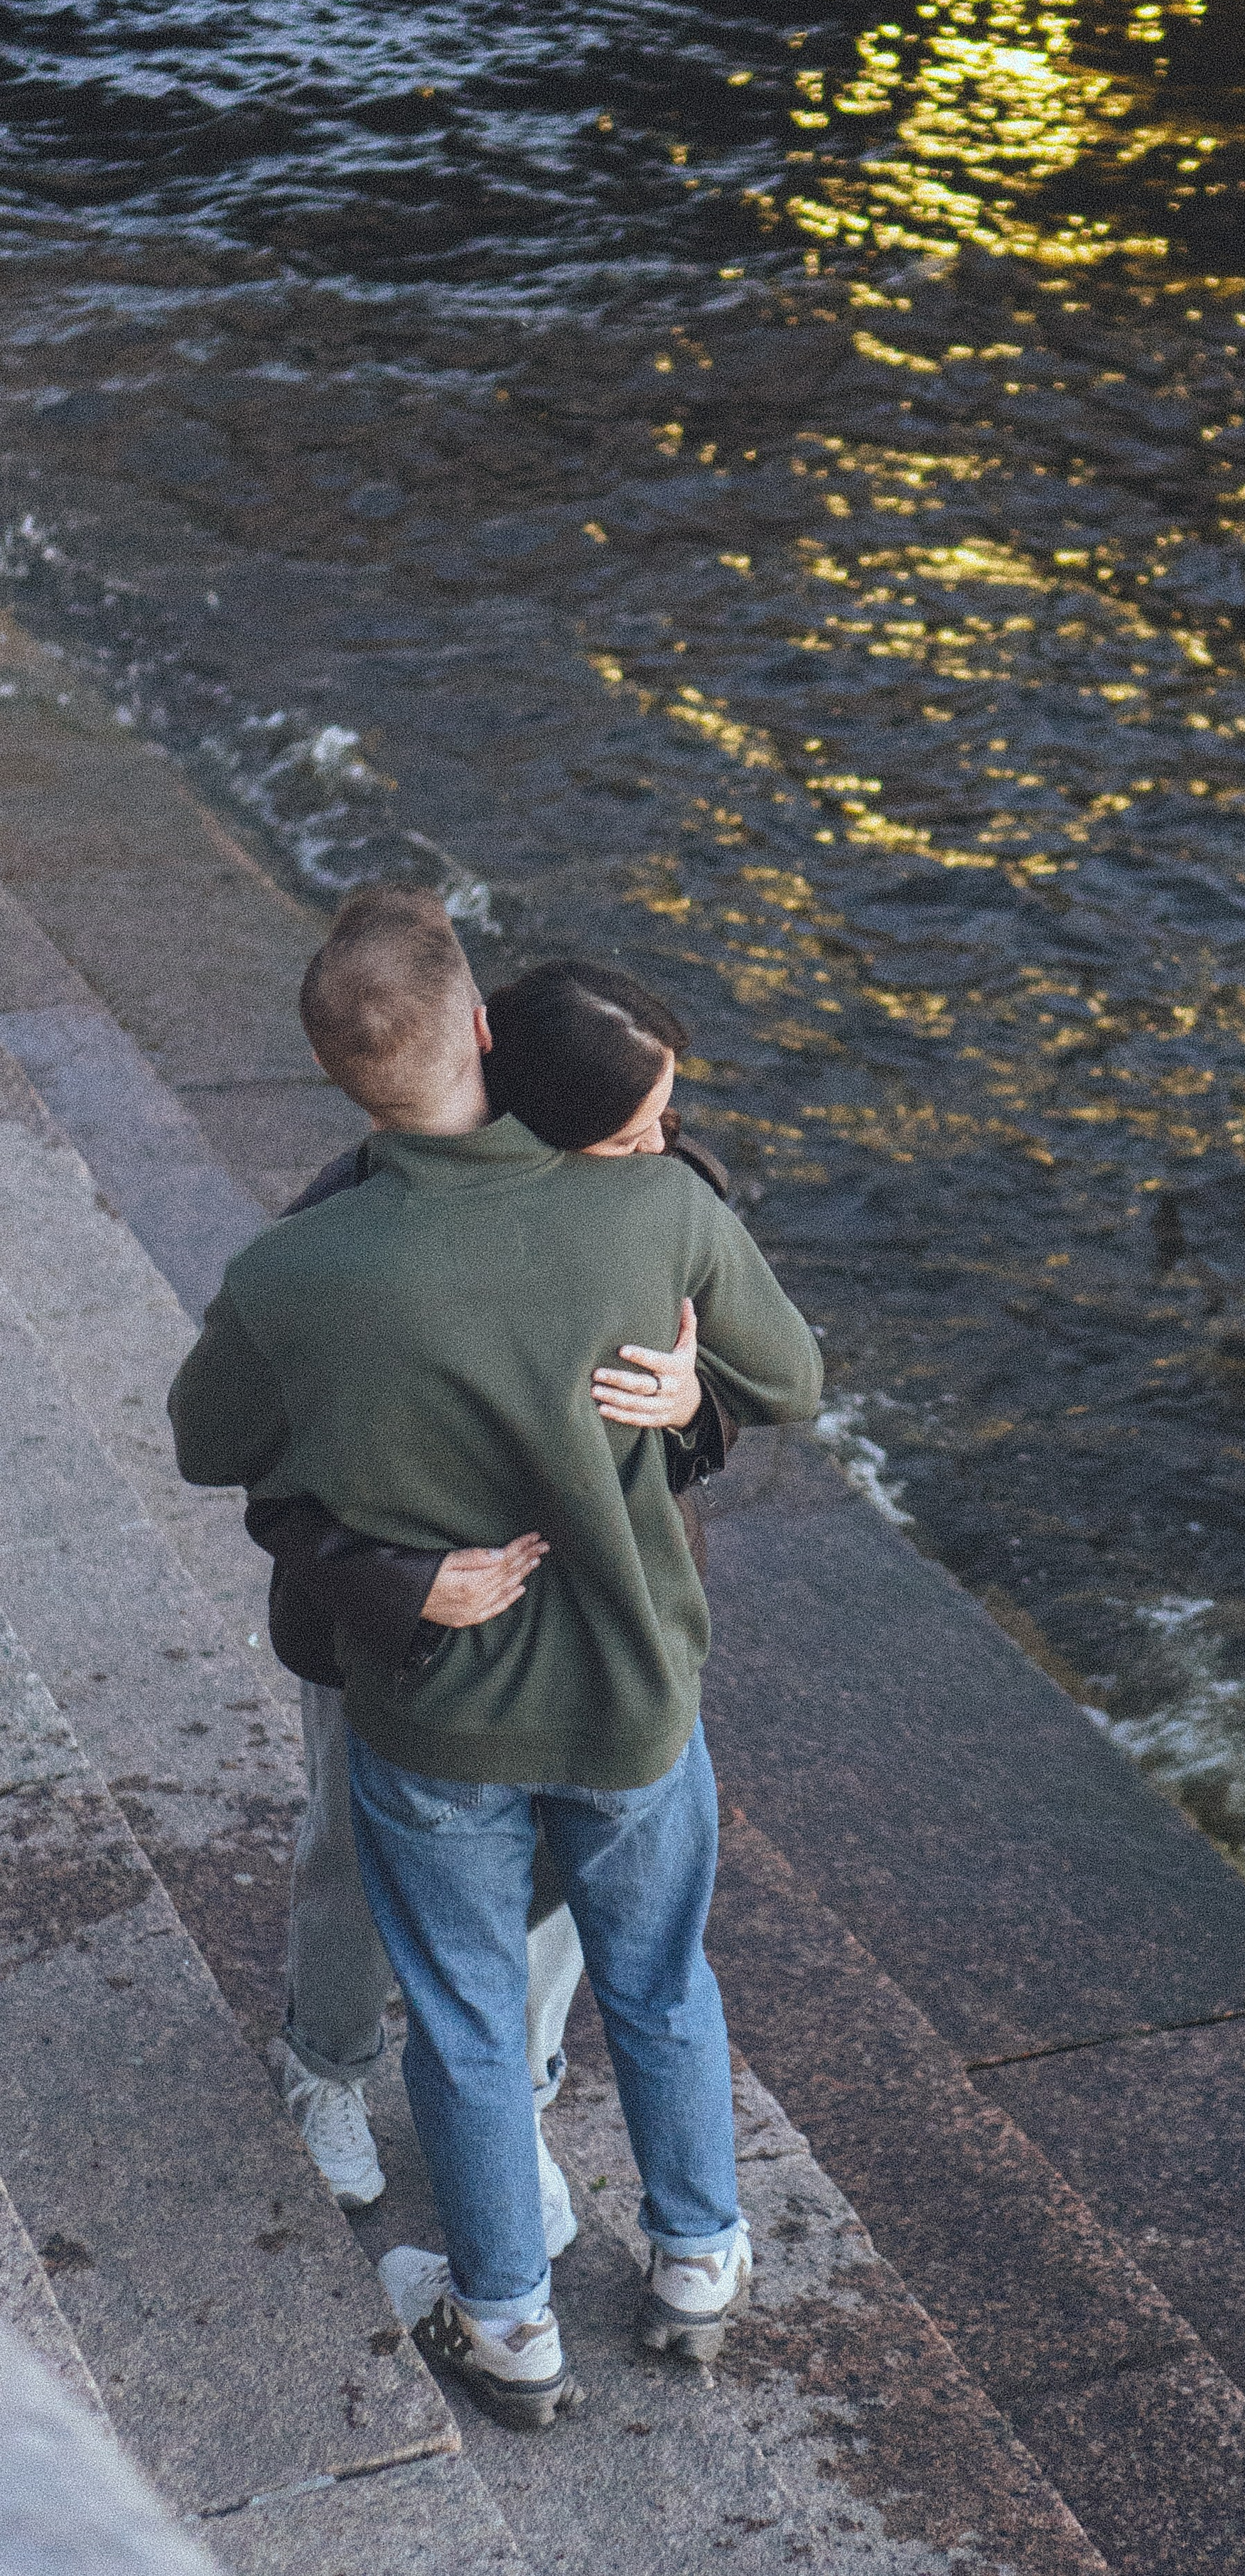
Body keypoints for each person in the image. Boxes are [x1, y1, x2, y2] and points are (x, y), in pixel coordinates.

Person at [168, 899, 823, 2427]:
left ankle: (507, 2325)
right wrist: (679, 1398)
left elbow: (211, 1445)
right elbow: (787, 1375)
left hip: (437, 1712)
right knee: (659, 1982)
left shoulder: (297, 1272)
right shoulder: (654, 1208)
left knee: (461, 2016)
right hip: (630, 1695)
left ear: (335, 1073)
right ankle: (699, 2259)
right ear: (483, 1031)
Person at [251, 915, 738, 2236]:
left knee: (569, 1887)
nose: (659, 1152)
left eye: (664, 1128)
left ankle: (509, 2095)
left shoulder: (659, 1183)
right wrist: (399, 1580)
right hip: (393, 1631)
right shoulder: (351, 1224)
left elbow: (743, 1357)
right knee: (352, 1854)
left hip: (598, 1607)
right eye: (633, 1130)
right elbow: (268, 1468)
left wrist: (694, 1400)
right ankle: (329, 2065)